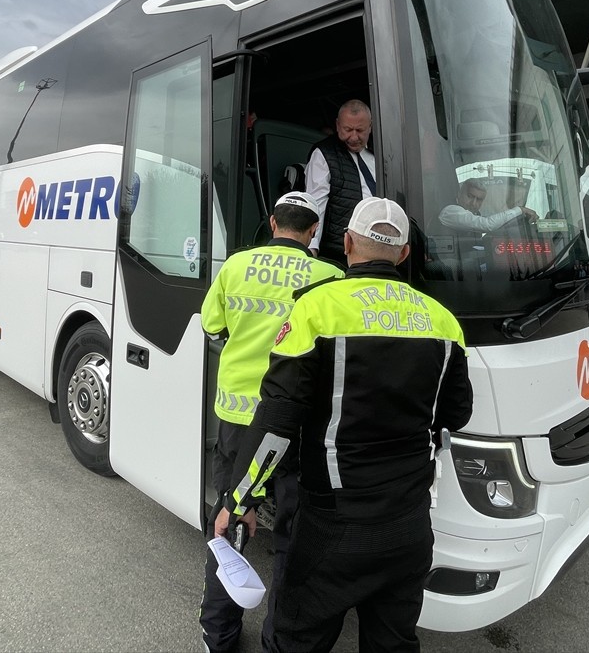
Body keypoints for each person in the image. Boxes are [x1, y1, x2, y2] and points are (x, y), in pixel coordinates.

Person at [215, 197, 473, 653]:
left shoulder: (317, 309)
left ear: (347, 243)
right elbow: (456, 414)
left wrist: (239, 500)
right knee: (393, 643)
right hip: (409, 527)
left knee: (297, 640)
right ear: (405, 254)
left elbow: (278, 420)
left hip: (333, 525)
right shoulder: (444, 321)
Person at [198, 191, 344, 653]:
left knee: (228, 522)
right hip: (296, 426)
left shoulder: (236, 266)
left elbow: (211, 327)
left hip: (238, 421)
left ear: (272, 221)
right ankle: (280, 637)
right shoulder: (330, 277)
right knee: (293, 532)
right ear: (314, 231)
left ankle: (218, 635)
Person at [305, 99, 375, 263]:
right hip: (340, 252)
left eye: (360, 130)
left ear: (370, 127)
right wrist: (312, 248)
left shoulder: (381, 152)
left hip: (378, 248)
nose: (354, 137)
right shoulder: (323, 153)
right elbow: (316, 203)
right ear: (337, 126)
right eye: (348, 130)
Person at [438, 178, 537, 233]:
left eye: (479, 200)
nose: (473, 203)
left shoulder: (475, 215)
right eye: (470, 196)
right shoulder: (450, 211)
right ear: (459, 194)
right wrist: (520, 209)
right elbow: (487, 225)